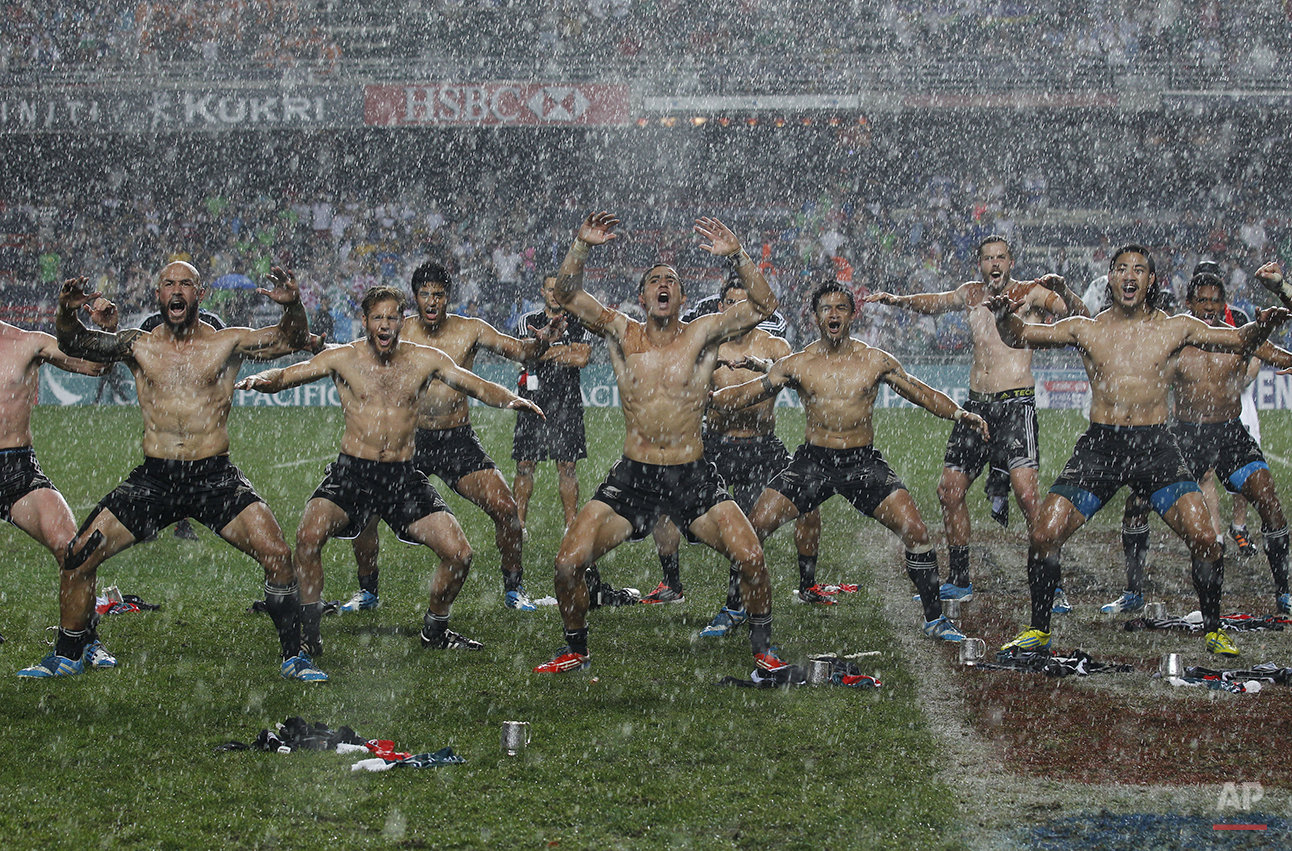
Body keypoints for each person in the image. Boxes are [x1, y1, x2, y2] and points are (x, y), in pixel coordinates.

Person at [988, 245, 1289, 657]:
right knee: (1043, 534)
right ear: (1110, 278)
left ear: (1151, 282)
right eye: (1122, 269)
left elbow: (1240, 339)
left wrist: (1265, 325)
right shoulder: (1086, 327)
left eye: (1139, 270)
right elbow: (1019, 335)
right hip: (1102, 446)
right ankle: (1039, 630)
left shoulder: (1175, 327)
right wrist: (1003, 316)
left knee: (1205, 538)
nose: (1130, 277)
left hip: (1156, 446)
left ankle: (1215, 630)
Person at [42, 262, 327, 681]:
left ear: (200, 294)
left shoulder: (226, 343)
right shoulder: (137, 345)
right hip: (155, 478)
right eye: (169, 284)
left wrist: (294, 306)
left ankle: (293, 656)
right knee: (80, 555)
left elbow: (292, 339)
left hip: (214, 476)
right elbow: (77, 342)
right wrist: (67, 313)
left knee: (278, 556)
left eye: (186, 284)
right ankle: (68, 653)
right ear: (158, 295)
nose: (177, 291)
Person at [532, 211, 785, 674]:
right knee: (568, 563)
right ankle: (576, 650)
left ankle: (764, 653)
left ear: (682, 297)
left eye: (671, 280)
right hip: (635, 475)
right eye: (654, 281)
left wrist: (740, 255)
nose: (663, 285)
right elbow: (566, 294)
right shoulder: (620, 331)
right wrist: (582, 245)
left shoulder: (703, 332)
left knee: (751, 556)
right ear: (643, 296)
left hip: (692, 473)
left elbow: (765, 305)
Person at [236, 286, 546, 655]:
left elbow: (475, 385)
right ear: (365, 321)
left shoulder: (424, 358)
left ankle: (435, 630)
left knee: (459, 553)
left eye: (392, 317)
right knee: (307, 538)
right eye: (377, 317)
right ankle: (311, 635)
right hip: (352, 474)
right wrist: (261, 380)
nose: (385, 325)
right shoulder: (343, 357)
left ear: (402, 321)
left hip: (402, 476)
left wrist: (510, 399)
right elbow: (288, 375)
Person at [710, 280, 989, 644]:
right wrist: (708, 399)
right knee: (754, 528)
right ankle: (733, 607)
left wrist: (958, 414)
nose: (833, 315)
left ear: (852, 314)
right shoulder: (798, 363)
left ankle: (935, 619)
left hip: (862, 463)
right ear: (815, 317)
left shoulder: (874, 359)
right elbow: (751, 391)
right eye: (826, 309)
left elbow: (918, 391)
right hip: (813, 462)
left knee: (917, 532)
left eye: (841, 308)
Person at [866, 236, 1088, 611]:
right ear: (980, 264)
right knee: (949, 490)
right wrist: (898, 300)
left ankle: (1053, 584)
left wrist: (1063, 289)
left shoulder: (1030, 293)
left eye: (1001, 257)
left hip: (1016, 404)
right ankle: (961, 579)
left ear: (1011, 261)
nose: (994, 264)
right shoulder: (971, 293)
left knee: (1028, 496)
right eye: (988, 258)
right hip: (975, 407)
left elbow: (1076, 317)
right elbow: (933, 303)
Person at [337, 261, 561, 617]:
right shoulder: (399, 329)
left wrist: (540, 342)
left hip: (457, 440)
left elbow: (520, 351)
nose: (431, 301)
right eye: (424, 294)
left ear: (448, 297)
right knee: (366, 509)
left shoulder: (469, 329)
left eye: (438, 294)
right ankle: (367, 591)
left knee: (506, 510)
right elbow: (355, 355)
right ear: (414, 297)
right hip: (408, 441)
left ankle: (514, 588)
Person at [1102, 267, 1292, 615]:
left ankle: (1284, 592)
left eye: (1215, 301)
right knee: (1137, 504)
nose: (1208, 308)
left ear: (1224, 305)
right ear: (1189, 303)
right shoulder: (1176, 342)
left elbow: (1276, 354)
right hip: (1185, 435)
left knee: (1269, 500)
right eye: (1202, 301)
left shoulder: (1239, 337)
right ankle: (1133, 592)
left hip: (1230, 434)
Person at [659, 276, 824, 637]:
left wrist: (767, 370)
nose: (738, 311)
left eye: (744, 303)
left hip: (762, 447)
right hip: (715, 445)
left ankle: (754, 600)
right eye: (730, 303)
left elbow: (805, 382)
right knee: (671, 507)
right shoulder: (707, 349)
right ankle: (672, 584)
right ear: (722, 309)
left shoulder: (775, 346)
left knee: (798, 507)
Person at [1, 291, 116, 668]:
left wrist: (105, 332)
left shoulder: (27, 342)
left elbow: (97, 368)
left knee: (73, 549)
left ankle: (85, 640)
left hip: (14, 468)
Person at [511, 274, 594, 534]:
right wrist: (563, 349)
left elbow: (581, 359)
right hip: (532, 401)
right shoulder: (529, 320)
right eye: (550, 289)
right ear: (542, 291)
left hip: (567, 402)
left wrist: (545, 350)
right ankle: (519, 524)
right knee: (524, 464)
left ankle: (571, 525)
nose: (554, 295)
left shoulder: (578, 319)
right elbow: (524, 354)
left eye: (558, 290)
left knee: (567, 466)